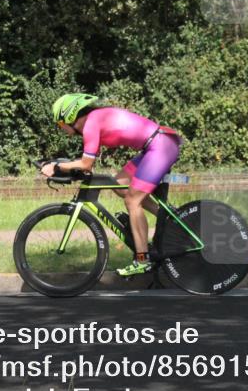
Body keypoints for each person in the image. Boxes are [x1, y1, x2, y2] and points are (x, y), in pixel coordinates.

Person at [41, 93, 180, 277]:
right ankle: (171, 218)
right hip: (155, 144)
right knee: (119, 184)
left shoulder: (91, 124)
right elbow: (88, 164)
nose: (61, 129)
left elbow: (85, 164)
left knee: (132, 201)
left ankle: (142, 260)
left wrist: (56, 166)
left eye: (60, 124)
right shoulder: (94, 120)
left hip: (160, 146)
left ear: (69, 117)